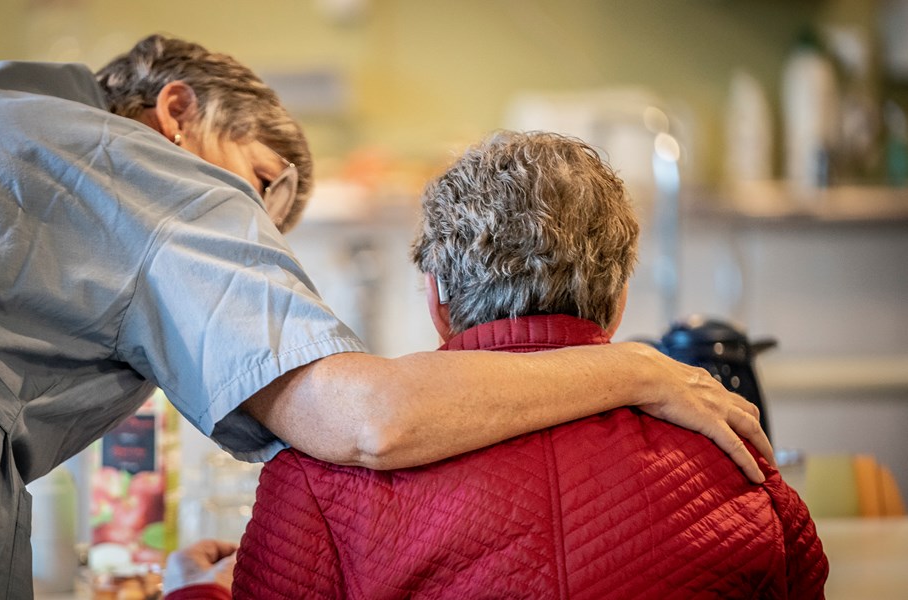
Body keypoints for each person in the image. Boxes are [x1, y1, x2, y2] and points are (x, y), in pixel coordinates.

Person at [0, 35, 770, 599]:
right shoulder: (153, 176)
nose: (246, 242)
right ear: (176, 113)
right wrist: (642, 368)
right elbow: (368, 422)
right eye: (252, 196)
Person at [231, 131, 828, 599]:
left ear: (436, 298)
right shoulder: (732, 455)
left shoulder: (320, 475)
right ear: (618, 303)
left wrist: (193, 589)